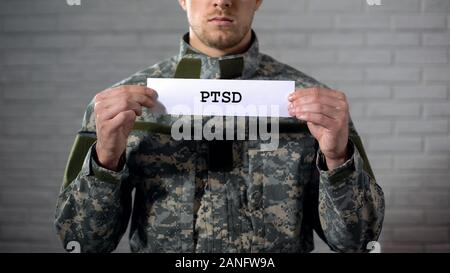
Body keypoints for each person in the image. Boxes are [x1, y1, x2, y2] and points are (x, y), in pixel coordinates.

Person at [54, 0, 384, 253]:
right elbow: (83, 243)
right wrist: (106, 160)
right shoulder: (121, 108)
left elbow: (358, 243)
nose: (222, 0)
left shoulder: (314, 106)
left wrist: (338, 159)